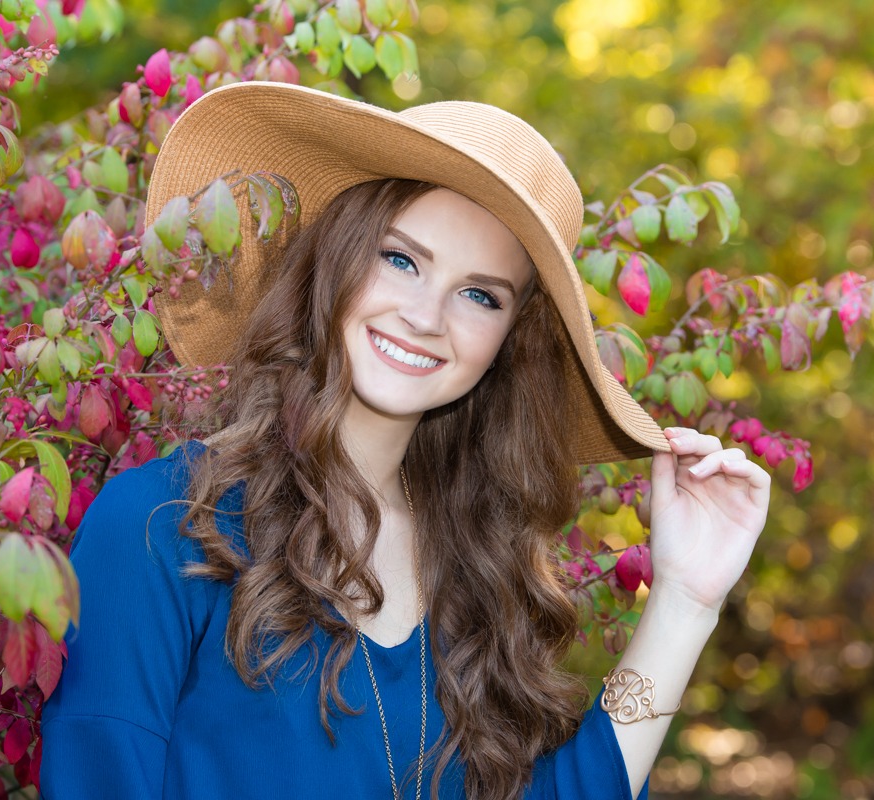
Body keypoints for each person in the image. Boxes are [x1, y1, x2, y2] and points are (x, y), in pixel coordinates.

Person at [38, 81, 771, 800]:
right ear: (337, 259)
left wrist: (685, 602)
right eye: (402, 259)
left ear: (508, 345)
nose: (427, 316)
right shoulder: (161, 526)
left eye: (480, 295)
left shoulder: (482, 571)